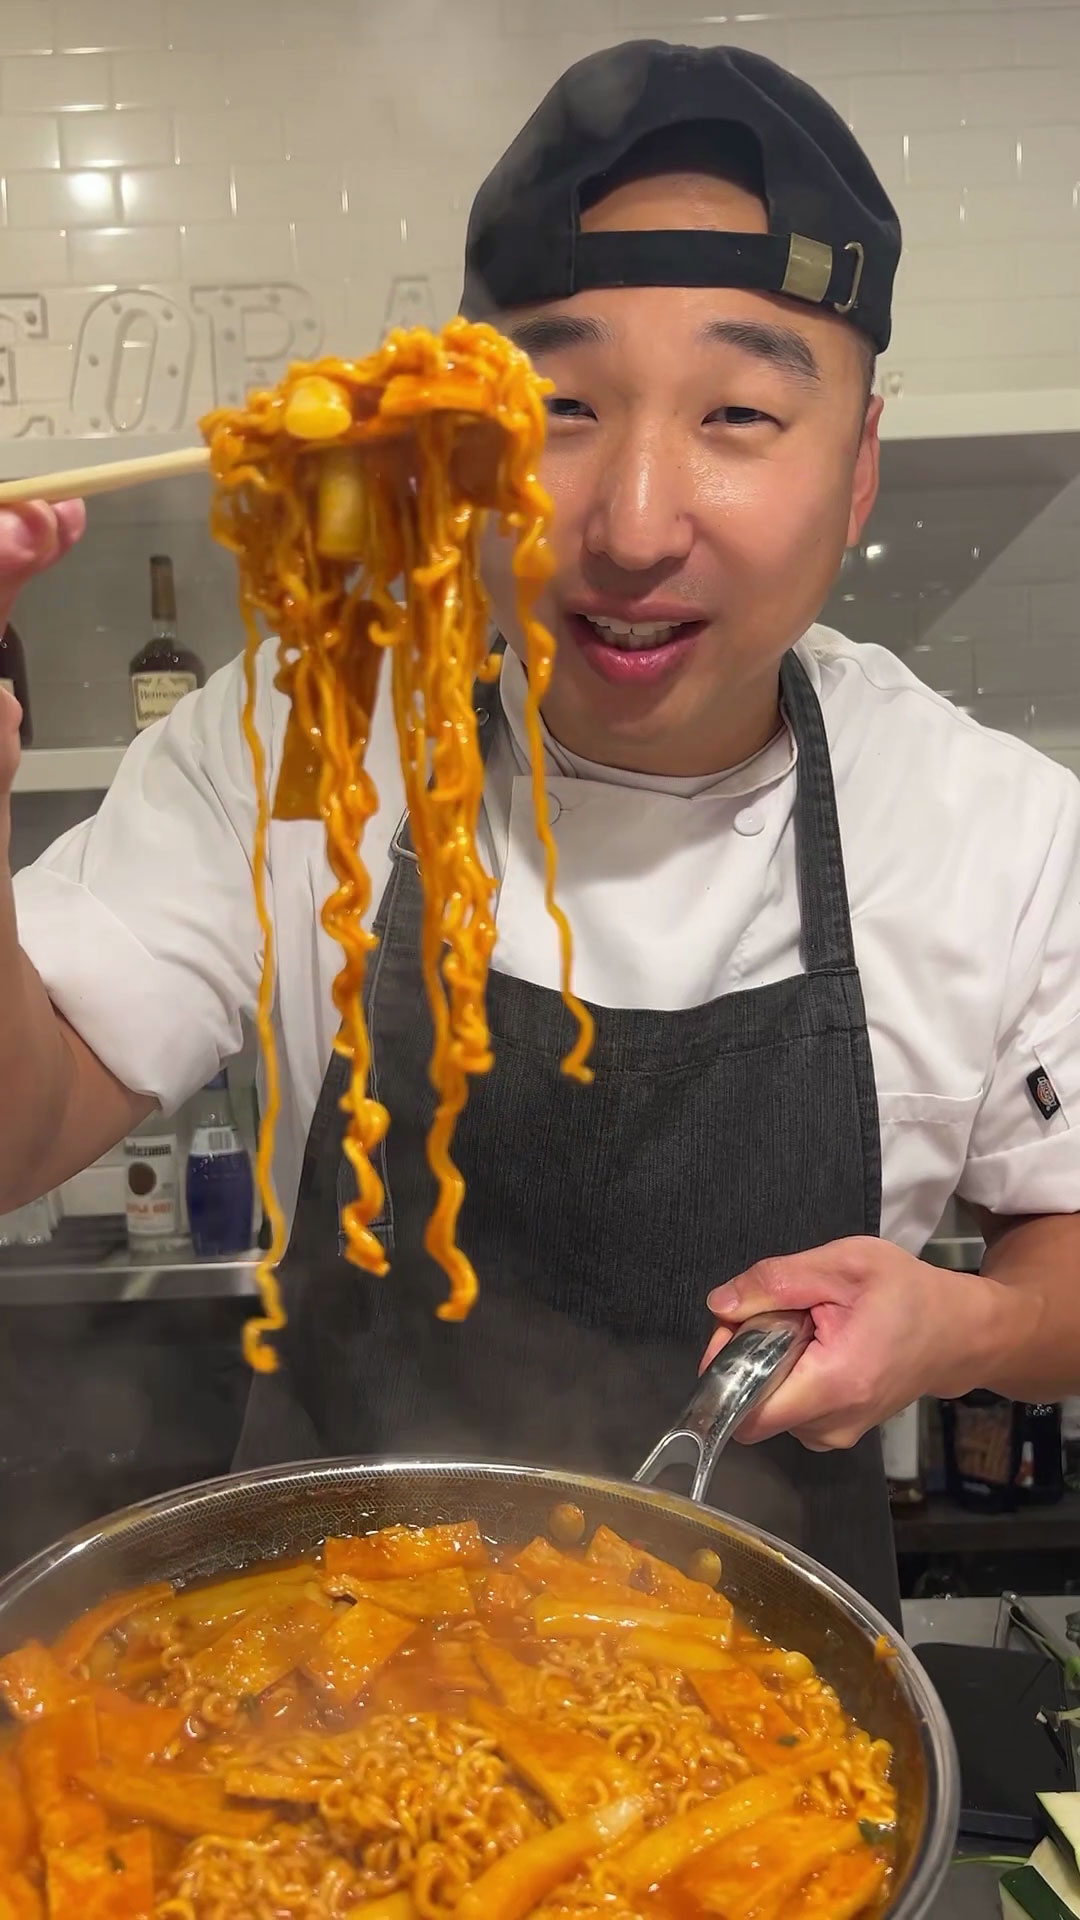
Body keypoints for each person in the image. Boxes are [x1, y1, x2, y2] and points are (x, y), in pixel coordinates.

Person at [2, 40, 1079, 1628]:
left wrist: (958, 1331)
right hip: (316, 1700)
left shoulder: (989, 825)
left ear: (858, 469)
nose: (636, 523)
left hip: (768, 1725)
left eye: (739, 412)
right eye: (559, 406)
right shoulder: (310, 738)